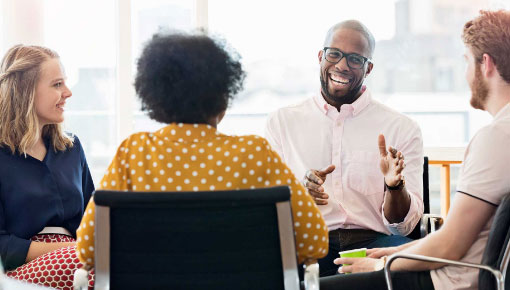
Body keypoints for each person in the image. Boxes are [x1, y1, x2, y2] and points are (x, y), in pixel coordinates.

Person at [76, 32, 329, 270]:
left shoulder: (134, 153)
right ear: (223, 97)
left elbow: (88, 249)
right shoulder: (255, 153)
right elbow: (315, 241)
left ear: (157, 97)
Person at [317, 9, 510, 290]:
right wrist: (390, 253)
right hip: (467, 273)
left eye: (466, 61)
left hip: (447, 281)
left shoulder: (495, 138)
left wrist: (383, 263)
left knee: (314, 286)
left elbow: (449, 246)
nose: (466, 74)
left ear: (486, 64)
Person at [265, 20, 424, 276]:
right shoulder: (282, 122)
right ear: (321, 56)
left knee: (410, 267)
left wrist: (395, 186)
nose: (342, 65)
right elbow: (271, 208)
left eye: (354, 59)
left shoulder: (401, 128)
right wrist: (300, 193)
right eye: (334, 54)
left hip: (373, 244)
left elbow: (403, 228)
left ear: (368, 68)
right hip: (308, 244)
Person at [0, 45, 95, 289]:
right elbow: (2, 246)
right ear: (25, 92)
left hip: (77, 259)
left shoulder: (72, 148)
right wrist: (73, 249)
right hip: (22, 268)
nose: (68, 92)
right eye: (57, 84)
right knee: (91, 265)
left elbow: (92, 218)